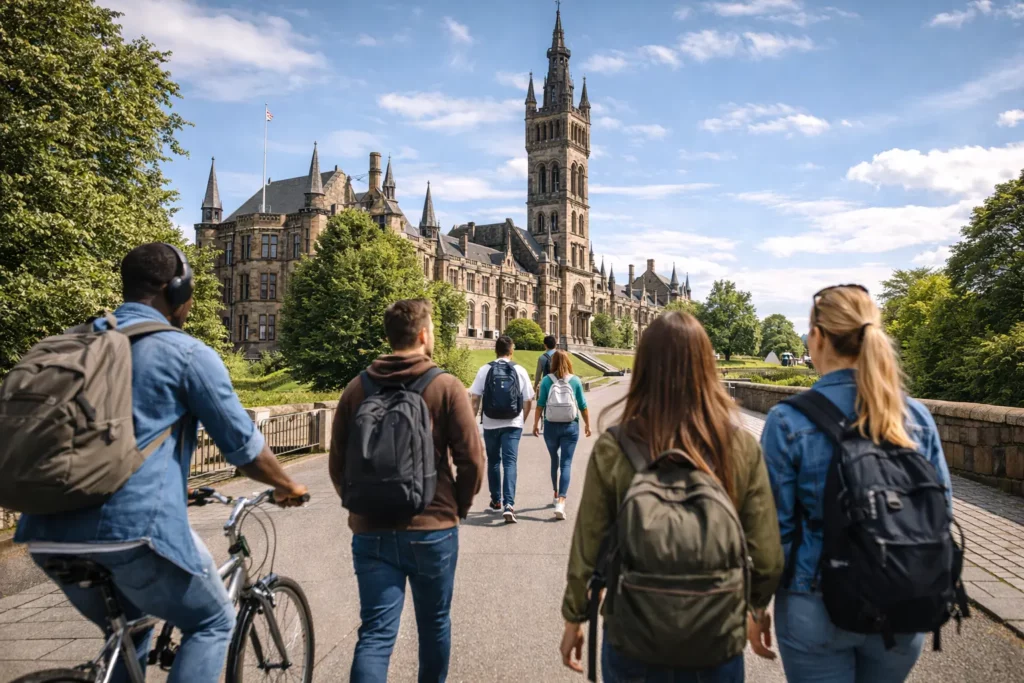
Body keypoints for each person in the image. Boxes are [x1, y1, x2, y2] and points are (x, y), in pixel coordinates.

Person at [15, 243, 309, 683]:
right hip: (132, 533)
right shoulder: (185, 353)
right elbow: (245, 449)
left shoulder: (77, 342)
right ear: (178, 289)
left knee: (130, 634)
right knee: (212, 622)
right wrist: (289, 485)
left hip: (43, 533)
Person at [560, 312, 784, 682]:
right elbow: (767, 555)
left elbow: (587, 548)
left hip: (632, 634)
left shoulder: (615, 447)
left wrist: (574, 618)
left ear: (644, 367)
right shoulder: (740, 446)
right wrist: (756, 609)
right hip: (716, 637)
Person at [755, 284, 953, 683]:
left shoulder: (788, 421)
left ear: (817, 338)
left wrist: (756, 605)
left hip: (815, 601)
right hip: (902, 600)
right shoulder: (914, 416)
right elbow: (941, 512)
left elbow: (774, 532)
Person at [329, 298, 484, 683]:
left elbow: (337, 464)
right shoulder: (446, 386)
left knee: (376, 634)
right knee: (434, 626)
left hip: (371, 530)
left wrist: (359, 507)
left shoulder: (356, 388)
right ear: (423, 335)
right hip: (433, 527)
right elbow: (472, 461)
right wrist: (457, 508)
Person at [469, 335, 534, 523]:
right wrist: (523, 419)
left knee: (494, 461)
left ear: (495, 350)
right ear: (511, 350)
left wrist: (473, 421)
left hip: (490, 422)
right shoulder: (519, 370)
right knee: (510, 462)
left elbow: (475, 398)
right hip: (513, 422)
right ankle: (509, 505)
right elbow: (528, 399)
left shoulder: (485, 369)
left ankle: (496, 500)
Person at [532, 350, 591, 520]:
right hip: (570, 426)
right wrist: (587, 424)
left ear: (553, 362)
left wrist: (536, 424)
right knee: (566, 463)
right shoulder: (575, 380)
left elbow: (540, 405)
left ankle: (555, 493)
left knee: (554, 460)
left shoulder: (545, 381)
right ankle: (561, 502)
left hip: (550, 426)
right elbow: (583, 405)